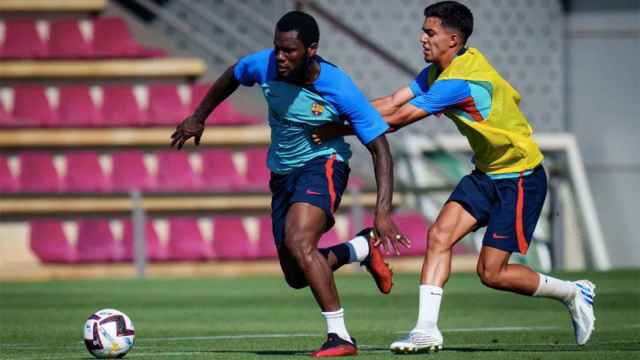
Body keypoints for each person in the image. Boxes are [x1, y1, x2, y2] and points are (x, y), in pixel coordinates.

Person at [311, 1, 595, 353]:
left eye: (430, 32)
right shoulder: (436, 72)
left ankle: (573, 292)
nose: (422, 38)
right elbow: (390, 101)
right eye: (424, 30)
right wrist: (339, 111)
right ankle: (426, 329)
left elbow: (397, 120)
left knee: (492, 273)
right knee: (440, 236)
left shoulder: (459, 81)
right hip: (487, 174)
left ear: (453, 39)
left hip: (520, 177)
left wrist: (335, 126)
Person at [170, 10, 409, 357]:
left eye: (290, 51)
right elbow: (232, 74)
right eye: (277, 48)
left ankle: (339, 337)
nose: (280, 57)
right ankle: (359, 249)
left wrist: (382, 210)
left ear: (311, 50)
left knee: (299, 241)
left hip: (323, 163)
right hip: (282, 174)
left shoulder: (337, 86)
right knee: (298, 275)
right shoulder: (263, 65)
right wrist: (198, 116)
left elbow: (380, 147)